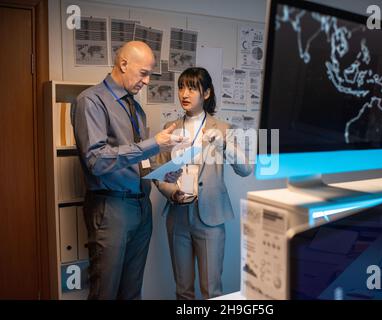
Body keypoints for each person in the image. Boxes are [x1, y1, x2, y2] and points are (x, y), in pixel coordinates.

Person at [71, 41, 184, 299]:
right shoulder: (91, 100)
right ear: (123, 64)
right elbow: (96, 160)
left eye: (149, 75)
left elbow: (137, 159)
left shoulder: (136, 108)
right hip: (111, 209)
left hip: (141, 208)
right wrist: (153, 143)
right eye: (143, 73)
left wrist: (159, 171)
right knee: (105, 293)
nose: (147, 81)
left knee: (132, 293)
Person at [155, 67, 252, 299]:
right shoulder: (169, 129)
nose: (184, 94)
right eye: (181, 87)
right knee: (183, 290)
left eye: (191, 88)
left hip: (211, 217)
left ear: (206, 93)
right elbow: (159, 175)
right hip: (178, 217)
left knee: (212, 290)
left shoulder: (224, 129)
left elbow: (246, 169)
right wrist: (172, 192)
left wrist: (225, 146)